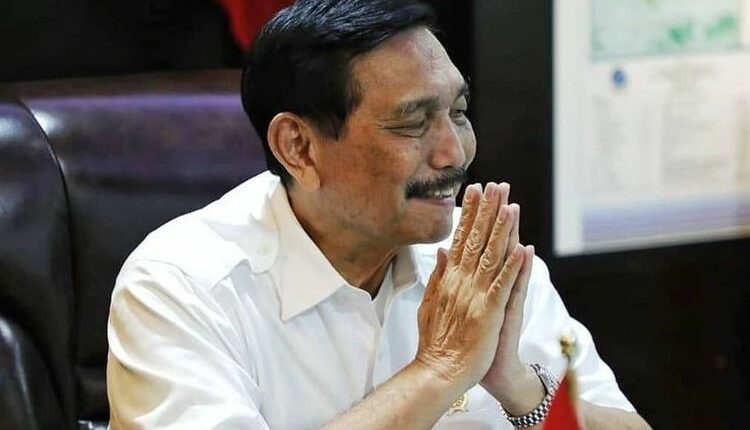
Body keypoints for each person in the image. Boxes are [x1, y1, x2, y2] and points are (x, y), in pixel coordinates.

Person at [106, 0, 651, 429]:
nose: (454, 153)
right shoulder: (182, 286)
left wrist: (519, 387)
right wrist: (438, 369)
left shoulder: (477, 261)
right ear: (299, 147)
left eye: (459, 113)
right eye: (412, 124)